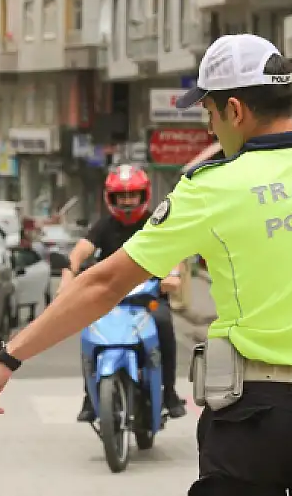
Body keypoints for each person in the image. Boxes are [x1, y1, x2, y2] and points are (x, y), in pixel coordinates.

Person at [0, 34, 292, 496]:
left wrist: (6, 358)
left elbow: (103, 284)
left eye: (209, 113)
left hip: (249, 419)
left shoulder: (211, 188)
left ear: (235, 110)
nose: (209, 129)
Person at [60, 164, 188, 421]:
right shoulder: (103, 227)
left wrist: (174, 275)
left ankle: (170, 392)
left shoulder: (156, 222)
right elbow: (81, 250)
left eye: (133, 195)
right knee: (89, 333)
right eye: (122, 196)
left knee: (164, 323)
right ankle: (89, 396)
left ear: (143, 196)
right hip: (110, 299)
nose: (128, 201)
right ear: (111, 198)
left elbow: (175, 250)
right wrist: (67, 275)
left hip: (149, 299)